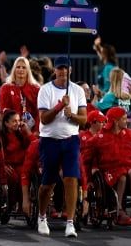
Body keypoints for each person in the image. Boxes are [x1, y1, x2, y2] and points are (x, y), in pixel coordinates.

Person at [83, 107, 131, 228]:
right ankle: (119, 210)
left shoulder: (130, 134)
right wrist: (87, 179)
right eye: (124, 119)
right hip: (110, 172)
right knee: (122, 177)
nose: (127, 121)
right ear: (115, 121)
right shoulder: (100, 137)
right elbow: (86, 159)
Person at [35, 56, 87, 238]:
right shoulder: (45, 90)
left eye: (66, 68)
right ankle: (41, 216)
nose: (63, 71)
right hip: (49, 140)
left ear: (70, 70)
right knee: (47, 183)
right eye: (60, 68)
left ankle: (70, 223)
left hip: (71, 139)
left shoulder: (78, 90)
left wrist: (71, 114)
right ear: (54, 71)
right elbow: (44, 118)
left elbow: (84, 119)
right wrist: (59, 106)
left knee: (71, 179)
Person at [0, 57, 41, 132]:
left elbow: (39, 112)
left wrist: (37, 131)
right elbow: (3, 112)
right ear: (14, 70)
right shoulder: (5, 88)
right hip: (12, 131)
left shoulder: (36, 89)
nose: (21, 69)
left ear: (28, 71)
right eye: (18, 67)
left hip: (32, 131)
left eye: (24, 67)